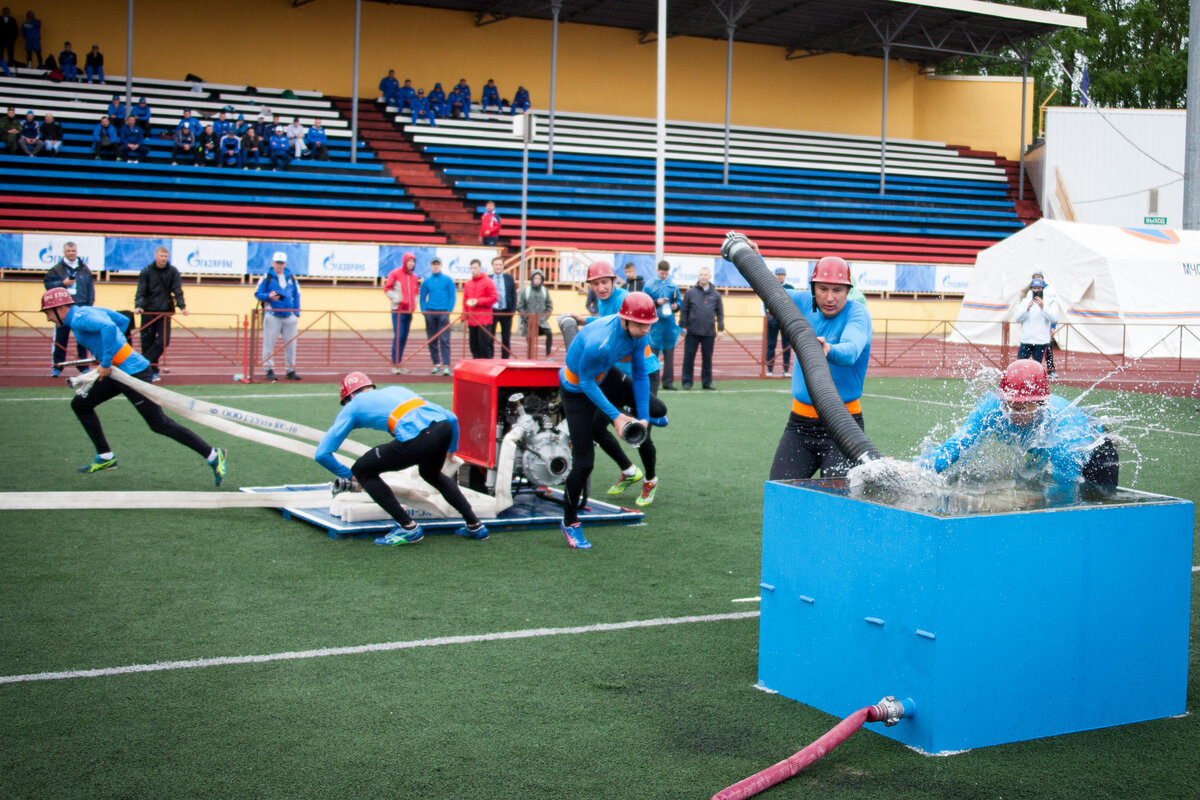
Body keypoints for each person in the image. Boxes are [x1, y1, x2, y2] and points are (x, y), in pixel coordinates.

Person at [39, 288, 227, 482]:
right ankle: (105, 457)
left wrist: (106, 360)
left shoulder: (79, 319)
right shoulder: (86, 310)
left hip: (133, 373)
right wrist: (111, 353)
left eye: (48, 313)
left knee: (159, 423)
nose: (48, 319)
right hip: (117, 372)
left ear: (60, 308)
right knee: (80, 404)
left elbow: (110, 328)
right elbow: (122, 321)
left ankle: (213, 454)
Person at [315, 373, 489, 546]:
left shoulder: (352, 406)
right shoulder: (397, 389)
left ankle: (408, 528)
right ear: (370, 387)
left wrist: (351, 476)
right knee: (431, 474)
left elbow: (322, 454)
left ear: (350, 396)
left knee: (362, 470)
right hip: (443, 429)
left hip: (419, 438)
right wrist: (451, 449)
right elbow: (452, 418)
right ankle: (475, 526)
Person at [917, 359, 1119, 487]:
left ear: (1041, 404)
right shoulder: (991, 410)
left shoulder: (1063, 429)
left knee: (1098, 500)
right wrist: (916, 471)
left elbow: (1064, 490)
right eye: (1009, 405)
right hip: (1051, 453)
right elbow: (955, 446)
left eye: (1022, 408)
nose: (1013, 414)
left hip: (1096, 453)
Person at [557, 294, 655, 548]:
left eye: (648, 325)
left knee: (656, 408)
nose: (646, 330)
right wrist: (618, 417)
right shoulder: (599, 344)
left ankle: (654, 416)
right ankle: (569, 522)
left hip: (602, 375)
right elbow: (586, 383)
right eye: (641, 325)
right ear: (624, 320)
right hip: (578, 387)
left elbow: (642, 375)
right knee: (584, 464)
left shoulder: (637, 333)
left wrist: (643, 418)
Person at [767, 255, 872, 480]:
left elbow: (852, 349)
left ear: (848, 291)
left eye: (838, 290)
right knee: (781, 491)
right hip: (799, 424)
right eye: (823, 289)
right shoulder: (805, 302)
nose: (829, 297)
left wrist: (829, 350)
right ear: (813, 288)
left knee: (836, 503)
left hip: (843, 427)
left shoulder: (857, 313)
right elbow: (767, 287)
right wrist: (752, 255)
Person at [134, 246, 187, 383]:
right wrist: (138, 306)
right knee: (147, 341)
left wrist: (182, 306)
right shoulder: (146, 271)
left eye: (165, 256)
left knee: (163, 340)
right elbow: (141, 290)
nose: (163, 259)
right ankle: (151, 371)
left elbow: (177, 290)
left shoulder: (173, 271)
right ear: (156, 256)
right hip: (148, 311)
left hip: (164, 311)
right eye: (161, 256)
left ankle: (142, 363)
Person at [44, 241, 94, 376]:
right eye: (68, 251)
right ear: (64, 252)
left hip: (81, 308)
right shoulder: (56, 269)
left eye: (73, 251)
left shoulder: (84, 269)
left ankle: (83, 366)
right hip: (63, 310)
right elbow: (48, 285)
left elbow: (90, 288)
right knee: (61, 339)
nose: (71, 253)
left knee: (83, 338)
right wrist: (62, 283)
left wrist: (89, 305)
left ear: (76, 252)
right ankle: (57, 366)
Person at [254, 251, 301, 382]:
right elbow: (258, 293)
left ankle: (290, 369)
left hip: (289, 315)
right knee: (269, 344)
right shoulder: (267, 277)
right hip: (273, 314)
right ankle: (269, 369)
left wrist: (296, 313)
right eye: (277, 263)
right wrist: (268, 296)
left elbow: (297, 295)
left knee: (291, 344)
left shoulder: (291, 278)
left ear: (285, 264)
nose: (279, 266)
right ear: (272, 263)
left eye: (281, 263)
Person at [558, 260, 620, 350]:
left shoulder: (622, 300)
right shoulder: (604, 298)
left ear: (613, 281)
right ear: (591, 285)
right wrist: (585, 320)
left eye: (604, 282)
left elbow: (616, 326)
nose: (601, 288)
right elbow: (606, 319)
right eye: (595, 284)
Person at [679, 267, 724, 390]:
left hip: (709, 332)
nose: (703, 276)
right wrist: (682, 326)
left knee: (707, 359)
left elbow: (720, 313)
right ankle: (687, 381)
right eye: (701, 274)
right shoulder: (690, 293)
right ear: (698, 276)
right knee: (688, 357)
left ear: (709, 277)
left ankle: (707, 382)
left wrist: (720, 329)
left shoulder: (716, 295)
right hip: (692, 331)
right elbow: (684, 310)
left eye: (705, 274)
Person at [645, 259, 681, 390]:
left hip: (669, 324)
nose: (664, 276)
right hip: (655, 324)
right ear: (657, 271)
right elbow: (644, 301)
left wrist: (676, 306)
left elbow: (678, 301)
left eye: (666, 273)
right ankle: (651, 380)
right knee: (652, 354)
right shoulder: (649, 285)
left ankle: (668, 382)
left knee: (669, 354)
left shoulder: (673, 285)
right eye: (662, 273)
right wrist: (656, 302)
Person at [383, 252, 420, 374]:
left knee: (404, 338)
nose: (411, 263)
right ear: (405, 261)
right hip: (398, 311)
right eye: (409, 261)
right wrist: (397, 299)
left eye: (413, 261)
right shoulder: (395, 273)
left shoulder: (414, 277)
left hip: (409, 312)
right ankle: (395, 364)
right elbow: (387, 289)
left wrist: (414, 304)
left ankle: (400, 363)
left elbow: (416, 292)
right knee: (398, 337)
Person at [419, 257, 456, 376]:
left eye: (437, 264)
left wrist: (448, 310)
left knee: (445, 340)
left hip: (443, 312)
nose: (435, 266)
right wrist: (424, 311)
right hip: (431, 312)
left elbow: (452, 296)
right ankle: (436, 364)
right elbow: (422, 297)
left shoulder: (448, 280)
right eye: (433, 264)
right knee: (432, 340)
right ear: (431, 266)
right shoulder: (426, 281)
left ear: (441, 265)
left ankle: (446, 365)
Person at [1014, 272, 1057, 367]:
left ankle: (1050, 372)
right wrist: (1027, 308)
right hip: (1026, 339)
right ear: (1031, 288)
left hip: (1041, 340)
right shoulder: (1025, 301)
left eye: (1039, 288)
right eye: (1034, 288)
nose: (1037, 291)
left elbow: (1054, 317)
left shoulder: (1050, 301)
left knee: (1036, 367)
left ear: (1043, 288)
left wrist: (1043, 307)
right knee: (1020, 366)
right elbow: (1017, 318)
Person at [463, 258, 498, 358]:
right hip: (472, 319)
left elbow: (494, 297)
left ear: (480, 268)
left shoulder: (488, 281)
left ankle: (487, 367)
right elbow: (465, 301)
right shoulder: (468, 284)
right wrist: (464, 317)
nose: (473, 270)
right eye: (472, 268)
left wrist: (478, 301)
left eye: (475, 268)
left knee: (484, 345)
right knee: (473, 345)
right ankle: (476, 367)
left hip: (484, 319)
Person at [516, 268, 553, 358]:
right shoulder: (526, 290)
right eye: (535, 278)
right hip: (529, 322)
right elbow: (520, 306)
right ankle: (530, 358)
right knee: (530, 341)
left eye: (539, 278)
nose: (537, 280)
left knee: (549, 333)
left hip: (541, 322)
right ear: (532, 279)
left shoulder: (544, 290)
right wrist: (526, 317)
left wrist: (544, 317)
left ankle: (548, 355)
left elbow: (549, 306)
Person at [764, 266, 794, 377]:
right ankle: (770, 368)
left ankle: (786, 369)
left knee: (786, 345)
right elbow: (765, 301)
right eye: (778, 274)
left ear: (784, 276)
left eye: (781, 274)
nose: (779, 276)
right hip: (773, 319)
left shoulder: (790, 287)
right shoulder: (770, 287)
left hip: (786, 319)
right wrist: (767, 315)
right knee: (771, 344)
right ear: (775, 275)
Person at [490, 256, 517, 358]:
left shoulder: (509, 278)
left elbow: (513, 294)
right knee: (490, 337)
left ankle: (505, 360)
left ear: (503, 266)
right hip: (492, 311)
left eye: (500, 265)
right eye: (496, 265)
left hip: (506, 311)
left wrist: (513, 310)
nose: (498, 267)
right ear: (493, 266)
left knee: (506, 338)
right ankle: (490, 359)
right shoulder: (489, 278)